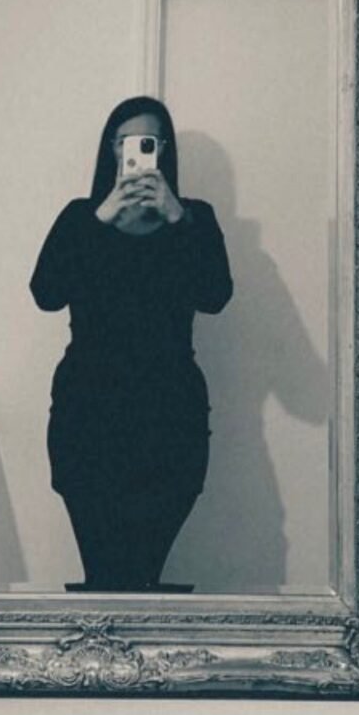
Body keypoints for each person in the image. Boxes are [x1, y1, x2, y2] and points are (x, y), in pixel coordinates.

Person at [30, 96, 233, 591]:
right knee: (103, 574)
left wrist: (177, 218)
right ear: (111, 149)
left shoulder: (195, 219)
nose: (137, 153)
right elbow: (46, 293)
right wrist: (100, 220)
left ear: (164, 151)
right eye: (126, 142)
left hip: (170, 420)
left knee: (144, 575)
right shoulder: (80, 218)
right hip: (88, 416)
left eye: (150, 142)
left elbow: (215, 296)